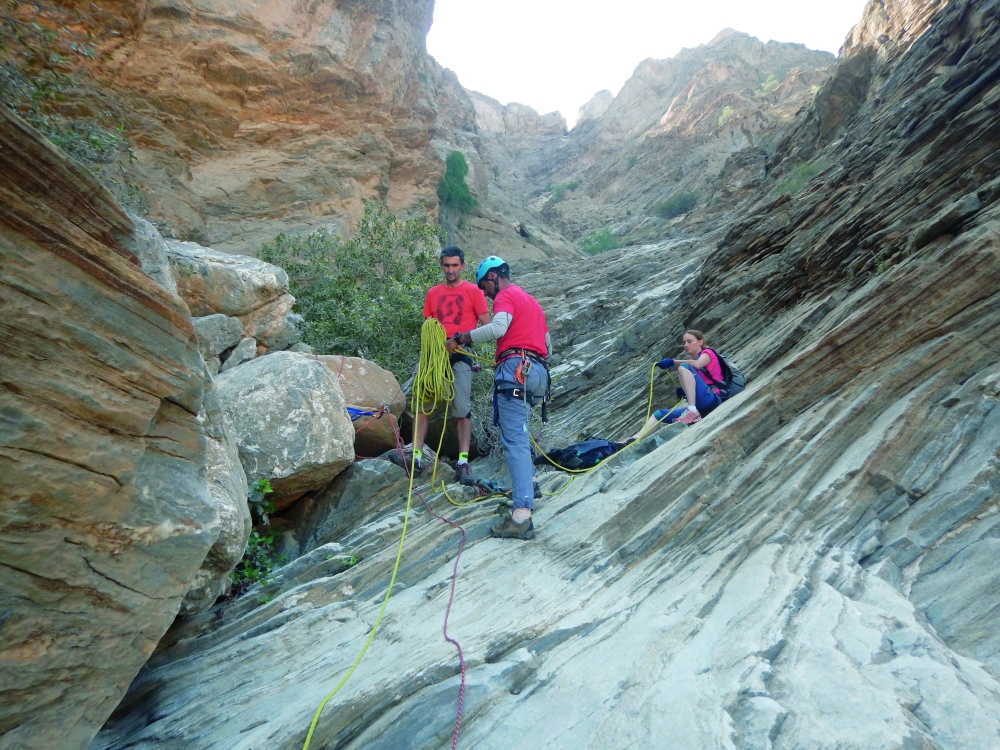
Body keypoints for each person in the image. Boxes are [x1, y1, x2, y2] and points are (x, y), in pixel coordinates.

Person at [448, 256, 551, 541]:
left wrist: (462, 337)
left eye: (485, 286)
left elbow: (498, 328)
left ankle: (521, 516)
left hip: (515, 369)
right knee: (521, 431)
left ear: (493, 276)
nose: (485, 293)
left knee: (514, 439)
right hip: (537, 372)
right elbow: (547, 344)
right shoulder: (532, 302)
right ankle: (529, 485)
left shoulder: (506, 295)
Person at [412, 246, 491, 478]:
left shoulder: (474, 292)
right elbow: (429, 325)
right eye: (446, 265)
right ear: (441, 265)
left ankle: (463, 460)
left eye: (455, 265)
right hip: (434, 354)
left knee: (462, 407)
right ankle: (416, 455)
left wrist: (464, 339)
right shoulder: (432, 293)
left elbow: (488, 324)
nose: (450, 270)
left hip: (462, 353)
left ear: (463, 266)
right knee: (422, 402)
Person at [630, 329, 723, 440]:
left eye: (689, 341)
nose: (686, 345)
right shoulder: (691, 363)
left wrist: (672, 362)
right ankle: (635, 439)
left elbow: (698, 364)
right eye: (684, 343)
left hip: (713, 399)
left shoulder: (708, 353)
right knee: (658, 415)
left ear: (700, 342)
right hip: (701, 405)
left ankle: (691, 411)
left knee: (683, 367)